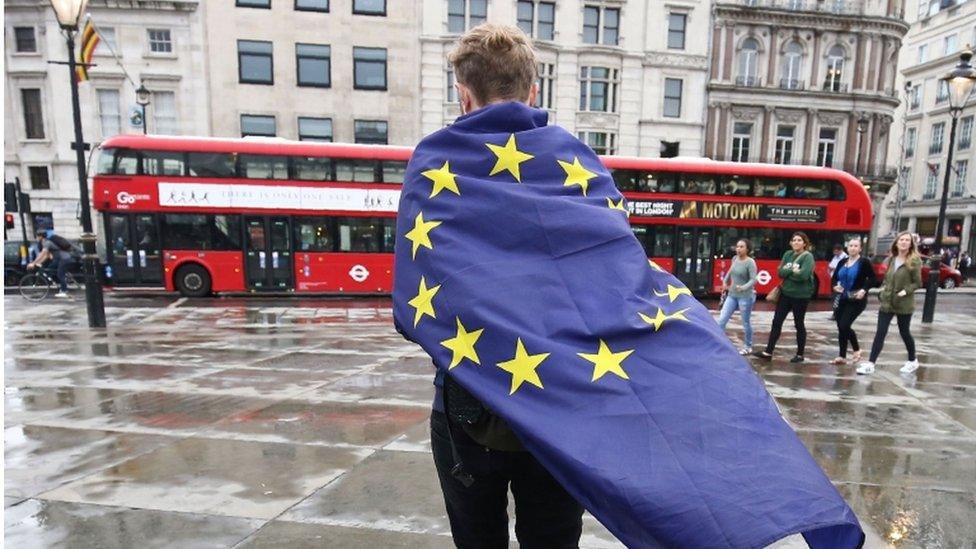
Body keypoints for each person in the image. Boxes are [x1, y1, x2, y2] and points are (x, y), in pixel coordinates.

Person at [417, 24, 584, 547]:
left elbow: (420, 293)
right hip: (560, 406)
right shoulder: (577, 163)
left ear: (462, 95)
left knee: (476, 540)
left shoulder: (433, 162)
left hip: (467, 403)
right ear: (534, 92)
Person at [857, 231, 922, 375]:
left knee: (904, 332)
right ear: (897, 242)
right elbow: (887, 279)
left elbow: (918, 283)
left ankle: (912, 360)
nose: (904, 242)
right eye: (901, 240)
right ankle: (871, 364)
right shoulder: (892, 259)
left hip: (903, 303)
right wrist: (882, 291)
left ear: (911, 244)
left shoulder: (914, 260)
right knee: (880, 332)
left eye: (907, 240)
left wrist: (906, 291)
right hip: (887, 301)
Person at [754, 232, 815, 363]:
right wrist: (792, 271)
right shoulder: (787, 255)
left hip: (800, 296)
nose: (796, 242)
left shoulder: (808, 257)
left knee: (799, 324)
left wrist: (788, 273)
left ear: (804, 243)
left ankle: (800, 354)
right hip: (785, 294)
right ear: (791, 243)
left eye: (799, 240)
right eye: (794, 240)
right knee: (776, 322)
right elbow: (780, 272)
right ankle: (768, 351)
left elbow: (803, 276)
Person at [830, 237, 876, 365]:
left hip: (856, 299)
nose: (853, 248)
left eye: (856, 246)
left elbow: (873, 279)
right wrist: (834, 286)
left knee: (845, 325)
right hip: (841, 298)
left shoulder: (864, 262)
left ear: (860, 248)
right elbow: (834, 278)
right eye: (851, 246)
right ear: (847, 248)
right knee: (840, 327)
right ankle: (842, 356)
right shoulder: (842, 261)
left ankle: (856, 349)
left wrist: (864, 290)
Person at [717, 239, 758, 355]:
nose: (738, 249)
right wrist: (725, 281)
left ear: (747, 249)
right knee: (722, 319)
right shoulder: (734, 259)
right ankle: (718, 343)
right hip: (732, 295)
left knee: (745, 322)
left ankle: (748, 345)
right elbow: (730, 271)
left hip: (745, 296)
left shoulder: (750, 262)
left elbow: (753, 279)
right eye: (737, 246)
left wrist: (744, 287)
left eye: (741, 247)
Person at [25, 230, 78, 297]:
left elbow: (42, 254)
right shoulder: (46, 243)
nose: (37, 238)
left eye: (37, 236)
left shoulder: (47, 243)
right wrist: (38, 263)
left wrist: (33, 263)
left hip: (64, 259)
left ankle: (64, 290)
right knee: (50, 269)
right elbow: (46, 256)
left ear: (41, 237)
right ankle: (64, 280)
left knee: (60, 274)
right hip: (61, 259)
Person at [827, 244, 848, 320]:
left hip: (840, 281)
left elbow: (845, 268)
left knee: (837, 297)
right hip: (834, 279)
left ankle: (836, 314)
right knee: (834, 297)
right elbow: (831, 265)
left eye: (836, 251)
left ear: (840, 250)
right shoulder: (835, 257)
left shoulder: (845, 258)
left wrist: (834, 268)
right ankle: (836, 314)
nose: (834, 253)